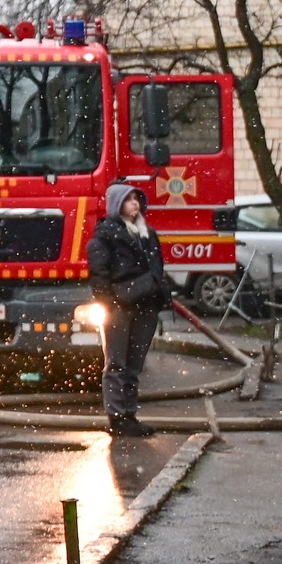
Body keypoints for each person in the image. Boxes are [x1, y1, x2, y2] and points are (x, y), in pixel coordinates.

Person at [85, 182, 169, 437]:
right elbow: (99, 275)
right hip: (120, 308)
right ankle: (117, 416)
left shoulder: (147, 233)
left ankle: (129, 413)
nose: (135, 204)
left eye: (136, 199)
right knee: (116, 363)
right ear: (116, 204)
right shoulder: (105, 236)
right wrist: (111, 304)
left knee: (134, 364)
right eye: (128, 199)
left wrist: (155, 293)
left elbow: (157, 266)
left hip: (146, 305)